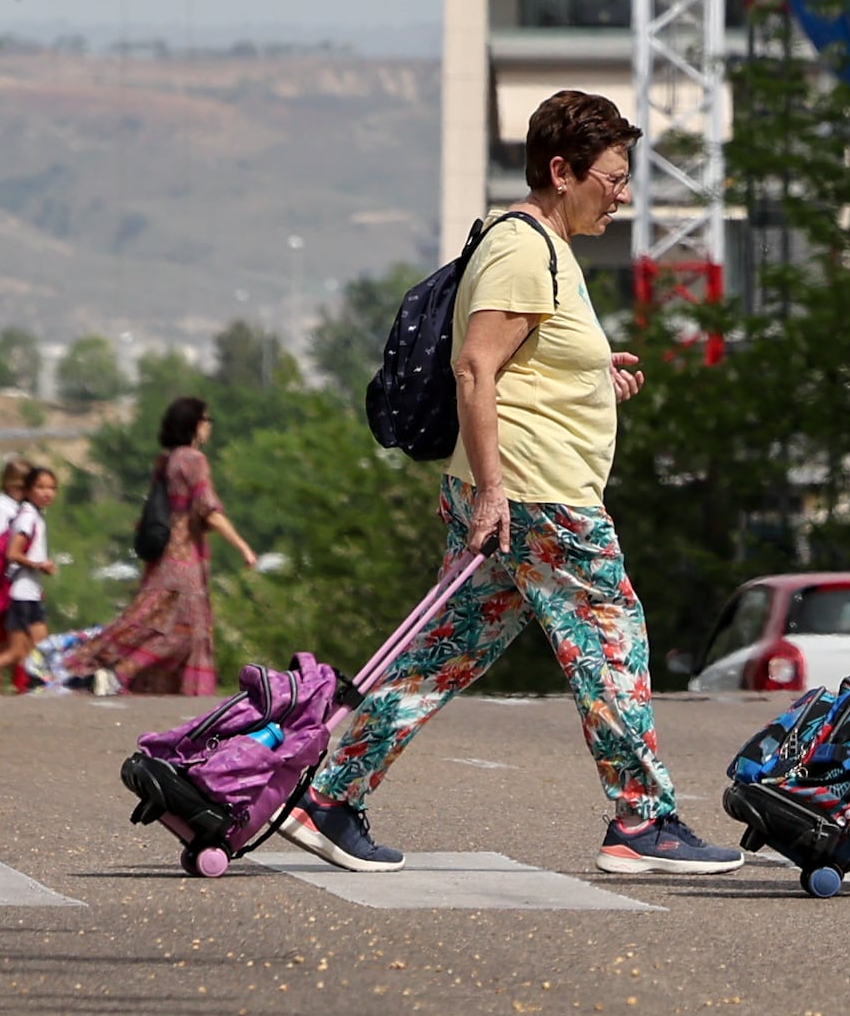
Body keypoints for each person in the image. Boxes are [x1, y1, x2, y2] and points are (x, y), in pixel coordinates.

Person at [297, 90, 737, 877]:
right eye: (612, 177)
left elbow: (523, 361)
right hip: (537, 496)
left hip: (511, 494)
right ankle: (642, 818)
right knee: (611, 635)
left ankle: (330, 796)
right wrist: (497, 489)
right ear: (562, 171)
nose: (622, 193)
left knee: (443, 652)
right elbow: (476, 366)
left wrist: (594, 375)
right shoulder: (523, 248)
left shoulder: (541, 246)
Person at [86, 401, 256, 696]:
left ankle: (132, 680)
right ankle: (118, 673)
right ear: (193, 424)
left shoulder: (166, 460)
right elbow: (208, 510)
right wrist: (243, 547)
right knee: (186, 631)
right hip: (183, 558)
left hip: (165, 556)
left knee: (161, 622)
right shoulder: (193, 459)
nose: (209, 426)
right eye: (206, 420)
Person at [0, 461, 60, 692]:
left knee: (36, 645)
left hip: (27, 588)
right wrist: (38, 566)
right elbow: (8, 552)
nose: (46, 493)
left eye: (51, 488)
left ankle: (28, 687)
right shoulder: (19, 513)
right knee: (12, 648)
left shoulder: (31, 513)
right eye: (39, 487)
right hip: (12, 587)